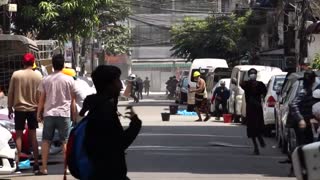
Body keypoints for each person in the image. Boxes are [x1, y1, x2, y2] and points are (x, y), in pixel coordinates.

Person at [82, 65, 142, 179]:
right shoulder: (104, 111)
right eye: (117, 81)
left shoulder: (98, 106)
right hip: (108, 173)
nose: (120, 86)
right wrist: (135, 124)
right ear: (108, 85)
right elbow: (118, 144)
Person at [36, 54, 76, 175]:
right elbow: (73, 100)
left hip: (49, 114)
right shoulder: (69, 80)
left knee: (46, 140)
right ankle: (67, 168)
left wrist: (39, 113)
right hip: (64, 114)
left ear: (52, 65)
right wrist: (73, 115)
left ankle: (44, 168)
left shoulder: (46, 79)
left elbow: (41, 99)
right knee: (65, 141)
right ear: (63, 65)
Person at [7, 53, 42, 173]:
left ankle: (17, 164)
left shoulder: (16, 75)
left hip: (19, 109)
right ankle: (36, 164)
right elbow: (40, 94)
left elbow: (10, 92)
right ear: (33, 63)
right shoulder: (38, 75)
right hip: (33, 109)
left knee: (19, 136)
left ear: (23, 62)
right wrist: (40, 109)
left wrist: (9, 107)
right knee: (33, 136)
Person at [240, 68, 267, 155]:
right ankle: (256, 146)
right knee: (251, 129)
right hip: (250, 109)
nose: (253, 75)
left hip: (258, 109)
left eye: (254, 73)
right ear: (249, 75)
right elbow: (241, 83)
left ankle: (260, 138)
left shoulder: (260, 84)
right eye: (251, 73)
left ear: (256, 74)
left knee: (258, 126)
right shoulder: (247, 84)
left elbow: (265, 93)